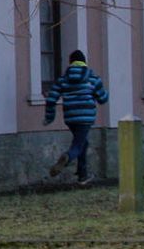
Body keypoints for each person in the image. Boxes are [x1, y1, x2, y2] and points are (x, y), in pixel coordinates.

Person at [44, 49, 110, 185]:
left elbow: (51, 99)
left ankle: (82, 175)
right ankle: (68, 157)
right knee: (78, 145)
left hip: (70, 117)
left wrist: (49, 117)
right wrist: (104, 92)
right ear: (84, 62)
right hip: (85, 117)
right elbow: (103, 99)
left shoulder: (63, 80)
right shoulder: (92, 78)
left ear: (71, 63)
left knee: (82, 143)